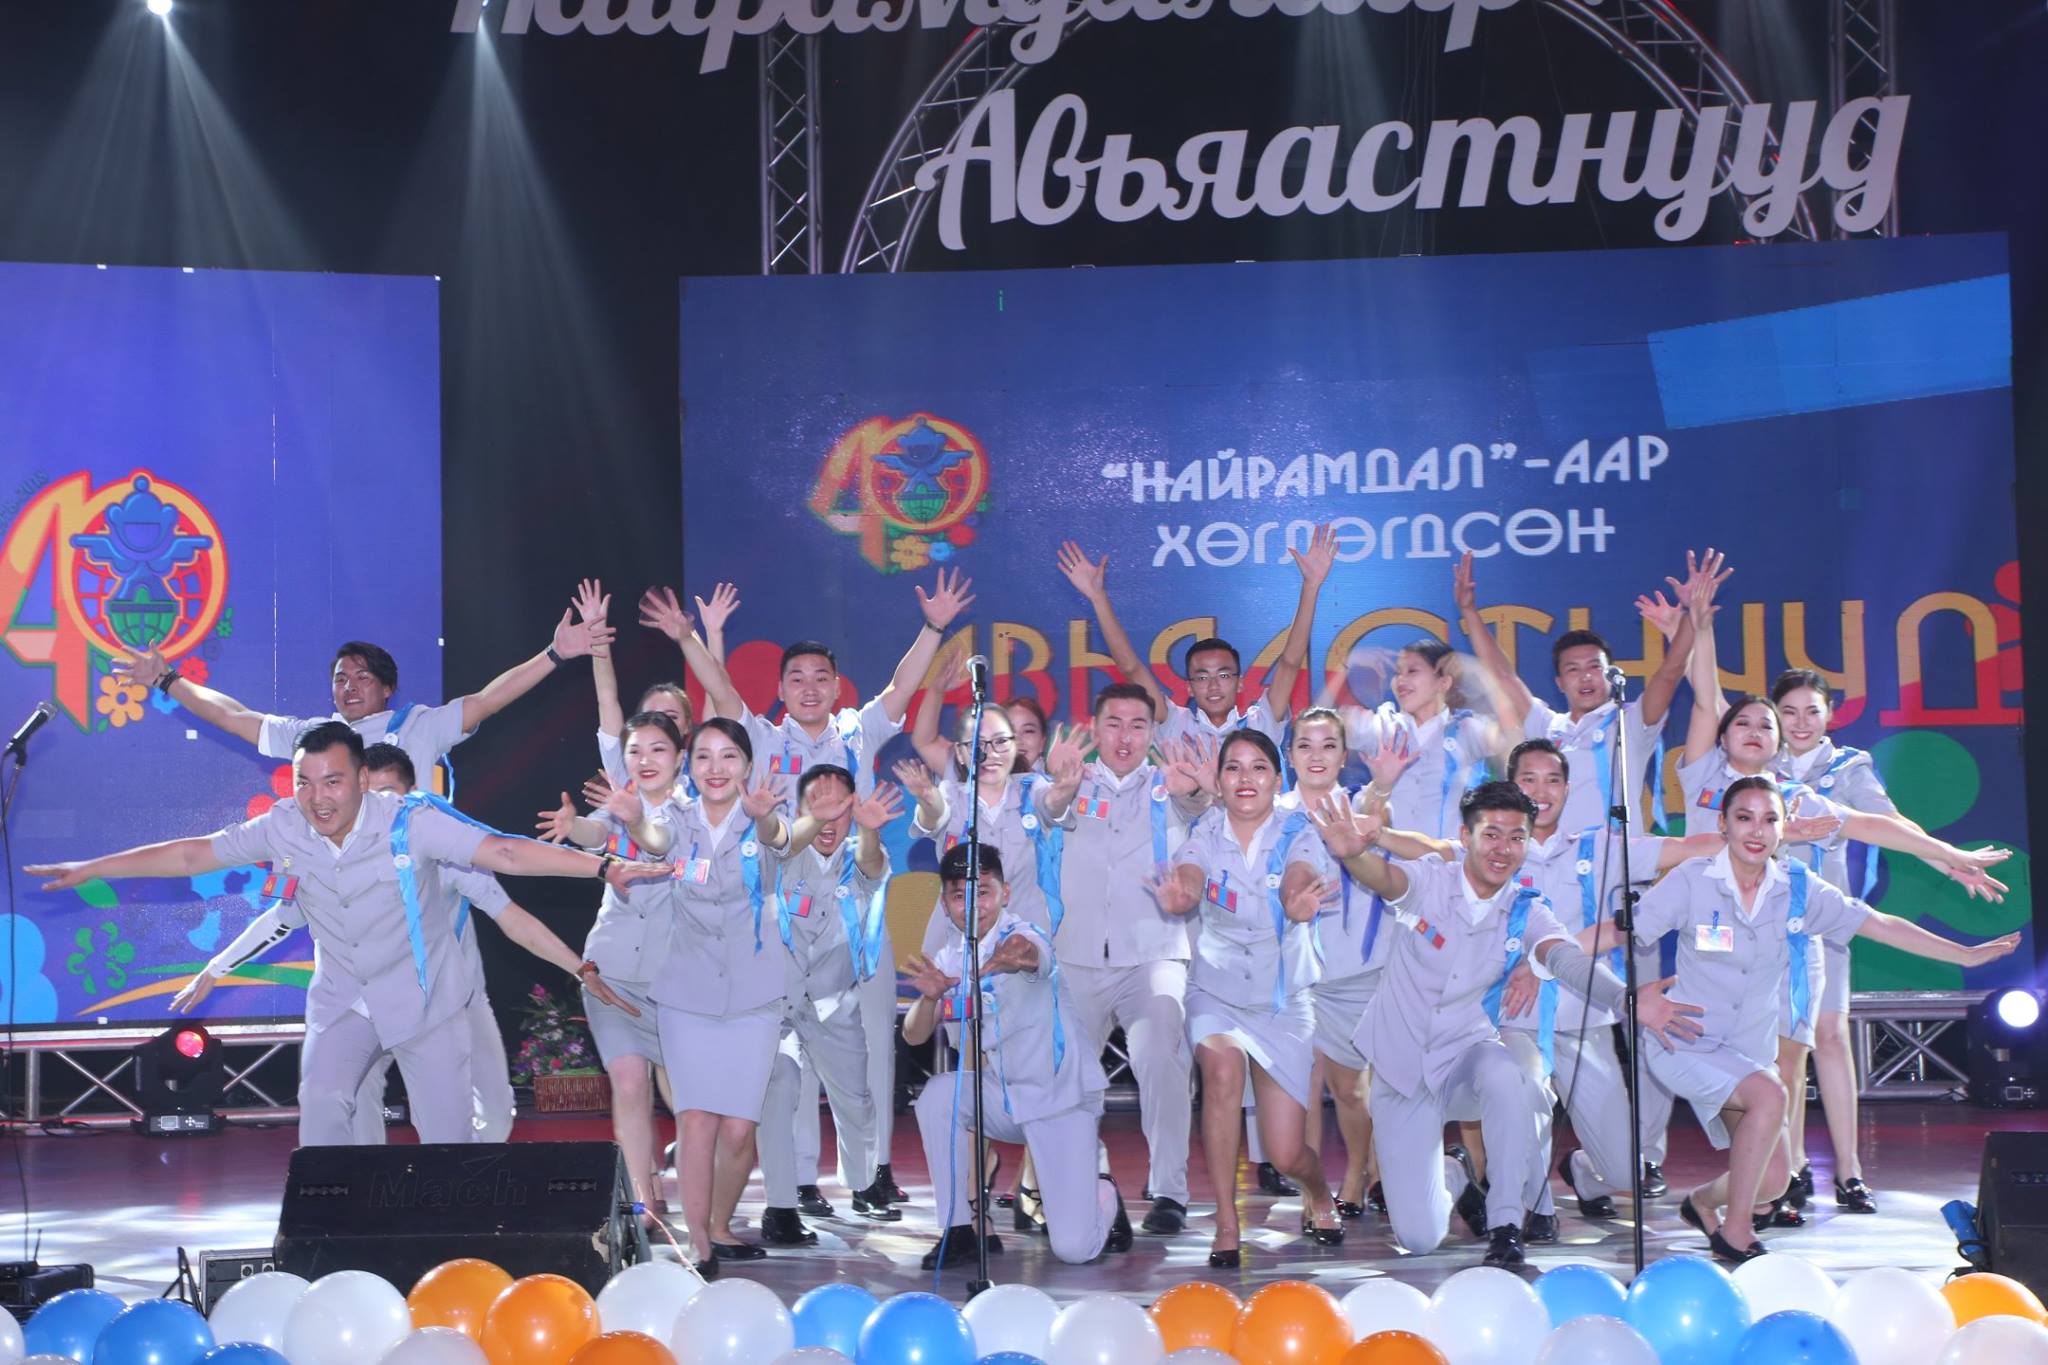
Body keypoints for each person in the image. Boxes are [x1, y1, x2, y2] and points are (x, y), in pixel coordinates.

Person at [26, 722, 665, 1148]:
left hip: (426, 1001)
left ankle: (454, 1255)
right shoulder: (283, 827)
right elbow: (194, 854)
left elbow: (506, 853)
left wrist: (602, 866)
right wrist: (93, 867)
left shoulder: (411, 823)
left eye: (332, 781)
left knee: (447, 1140)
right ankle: (332, 1242)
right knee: (325, 1102)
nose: (318, 797)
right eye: (305, 782)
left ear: (361, 780)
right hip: (342, 1001)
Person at [1664, 565, 2013, 1223]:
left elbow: (1879, 824)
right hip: (1714, 943)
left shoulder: (1792, 793)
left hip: (1793, 934)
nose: (1770, 730)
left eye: (1784, 721)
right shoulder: (1708, 773)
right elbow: (1705, 696)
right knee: (1738, 1062)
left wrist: (1951, 857)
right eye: (1762, 719)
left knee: (1793, 1053)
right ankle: (1762, 1180)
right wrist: (1699, 624)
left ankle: (1788, 1179)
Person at [644, 568, 975, 1207]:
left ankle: (872, 1172)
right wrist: (689, 637)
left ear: (837, 686)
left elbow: (902, 687)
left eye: (821, 677)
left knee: (872, 1043)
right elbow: (721, 692)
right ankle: (797, 1181)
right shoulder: (763, 740)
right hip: (785, 915)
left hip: (858, 906)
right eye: (796, 678)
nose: (809, 688)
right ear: (781, 689)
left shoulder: (858, 731)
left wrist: (933, 627)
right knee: (788, 1053)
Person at [1618, 776, 2019, 1262]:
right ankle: (1735, 1232)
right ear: (1722, 824)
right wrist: (1579, 969)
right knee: (1771, 1094)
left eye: (1769, 819)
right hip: (1683, 1041)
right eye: (1744, 818)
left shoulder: (1798, 888)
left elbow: (1878, 924)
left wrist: (1965, 955)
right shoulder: (1692, 879)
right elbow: (1619, 934)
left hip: (1743, 1055)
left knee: (1775, 1180)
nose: (1757, 830)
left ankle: (1702, 1202)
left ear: (1784, 828)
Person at [1308, 780, 1704, 1268]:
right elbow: (1387, 879)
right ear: (1465, 837)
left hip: (1465, 1054)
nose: (1503, 849)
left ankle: (1506, 1225)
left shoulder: (1526, 909)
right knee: (1419, 1237)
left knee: (1510, 1074)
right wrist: (1353, 856)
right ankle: (1456, 1174)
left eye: (1517, 837)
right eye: (1491, 834)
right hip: (1402, 1064)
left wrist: (1625, 1000)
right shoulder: (1431, 880)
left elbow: (1564, 958)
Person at [177, 743, 627, 1147]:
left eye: (390, 794)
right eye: (371, 795)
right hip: (359, 1003)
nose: (378, 807)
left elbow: (514, 918)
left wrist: (579, 967)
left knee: (488, 1115)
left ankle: (462, 1196)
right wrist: (215, 968)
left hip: (447, 1001)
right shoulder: (323, 855)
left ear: (413, 794)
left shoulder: (445, 849)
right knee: (346, 1100)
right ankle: (365, 1197)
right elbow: (282, 918)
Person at [1494, 739, 1724, 1229]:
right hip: (1515, 1017)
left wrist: (1761, 834)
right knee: (1525, 1097)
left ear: (1567, 789)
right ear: (1511, 786)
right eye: (1528, 780)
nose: (1541, 791)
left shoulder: (1598, 848)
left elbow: (1683, 850)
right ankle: (1534, 1204)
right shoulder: (1492, 848)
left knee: (1625, 1171)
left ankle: (1584, 1170)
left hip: (1585, 1018)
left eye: (1552, 780)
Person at [1147, 729, 1346, 1267]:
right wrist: (1183, 893)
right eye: (1233, 768)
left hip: (1282, 1002)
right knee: (1221, 1072)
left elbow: (1298, 875)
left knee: (1286, 1154)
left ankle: (1317, 1190)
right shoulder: (1205, 831)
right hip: (1216, 990)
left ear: (1277, 780)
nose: (1245, 779)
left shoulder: (1299, 830)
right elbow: (1191, 874)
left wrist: (1296, 901)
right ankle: (1226, 1221)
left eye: (1259, 767)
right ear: (1219, 779)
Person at [1035, 681, 1214, 1234]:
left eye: (1138, 725)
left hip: (1154, 952)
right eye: (1113, 723)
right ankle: (1085, 1182)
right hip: (1077, 953)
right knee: (1068, 1074)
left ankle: (1169, 1192)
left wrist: (1194, 792)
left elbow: (1201, 811)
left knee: (1160, 1056)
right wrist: (1060, 789)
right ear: (1094, 728)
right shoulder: (1070, 780)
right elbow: (1045, 814)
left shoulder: (1171, 783)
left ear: (1152, 733)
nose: (1125, 736)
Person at [903, 842, 1132, 1270]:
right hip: (1006, 1099)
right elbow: (914, 1036)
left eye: (983, 892)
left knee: (1074, 1249)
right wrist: (930, 997)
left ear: (1004, 893)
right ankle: (958, 1228)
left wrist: (1007, 960)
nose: (973, 906)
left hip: (1061, 1101)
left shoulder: (1025, 934)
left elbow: (1029, 955)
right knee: (938, 1095)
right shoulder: (952, 957)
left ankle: (1103, 1192)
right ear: (945, 903)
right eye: (959, 895)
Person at [119, 610, 612, 799]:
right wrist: (167, 679)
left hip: (411, 888)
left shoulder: (420, 726)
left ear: (387, 687)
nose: (349, 687)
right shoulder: (312, 738)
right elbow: (233, 717)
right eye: (340, 679)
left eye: (362, 677)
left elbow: (487, 700)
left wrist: (554, 655)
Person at [634, 718, 791, 1276]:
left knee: (739, 1129)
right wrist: (632, 819)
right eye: (704, 756)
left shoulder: (764, 813)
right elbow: (654, 842)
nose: (716, 768)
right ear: (688, 765)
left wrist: (763, 816)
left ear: (747, 765)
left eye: (729, 757)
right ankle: (698, 1243)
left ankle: (719, 1223)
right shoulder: (674, 817)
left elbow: (782, 839)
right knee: (696, 1119)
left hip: (755, 994)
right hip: (686, 993)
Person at [537, 713, 697, 1221]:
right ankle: (643, 1202)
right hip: (612, 972)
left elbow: (659, 841)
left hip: (677, 982)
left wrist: (633, 819)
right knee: (628, 1084)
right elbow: (593, 831)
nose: (645, 760)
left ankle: (699, 1195)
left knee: (690, 1100)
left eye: (658, 749)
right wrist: (574, 826)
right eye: (635, 751)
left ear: (680, 758)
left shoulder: (695, 813)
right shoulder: (616, 808)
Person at [1769, 667, 1904, 1213]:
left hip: (1826, 921)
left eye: (1812, 711)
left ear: (1830, 715)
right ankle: (1792, 1167)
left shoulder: (1849, 767)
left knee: (1830, 1036)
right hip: (1766, 923)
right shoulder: (1756, 765)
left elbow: (1891, 823)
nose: (1800, 723)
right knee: (1785, 1048)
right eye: (1789, 711)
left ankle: (1849, 1171)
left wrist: (1949, 859)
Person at [754, 764, 903, 1244]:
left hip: (834, 1004)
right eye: (817, 804)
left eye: (840, 806)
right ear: (799, 811)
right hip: (777, 1006)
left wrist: (871, 832)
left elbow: (874, 868)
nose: (829, 817)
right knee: (780, 1093)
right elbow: (772, 835)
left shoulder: (861, 856)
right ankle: (781, 1206)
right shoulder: (777, 857)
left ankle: (864, 1186)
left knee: (857, 1099)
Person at [1055, 526, 1334, 749]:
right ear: (1188, 688)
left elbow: (1290, 662)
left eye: (1223, 675)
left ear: (1240, 683)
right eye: (1201, 677)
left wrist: (1311, 586)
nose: (1213, 685)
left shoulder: (1260, 724)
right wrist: (1098, 598)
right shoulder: (1175, 725)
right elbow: (1130, 668)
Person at [1280, 706, 1386, 1221]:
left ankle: (1357, 1175)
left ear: (1345, 756)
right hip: (1290, 975)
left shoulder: (1366, 808)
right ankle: (1312, 1193)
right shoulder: (1272, 813)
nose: (1316, 756)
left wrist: (1382, 790)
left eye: (1328, 746)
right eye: (1305, 745)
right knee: (1299, 1090)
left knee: (1349, 1089)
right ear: (1290, 755)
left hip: (1356, 973)